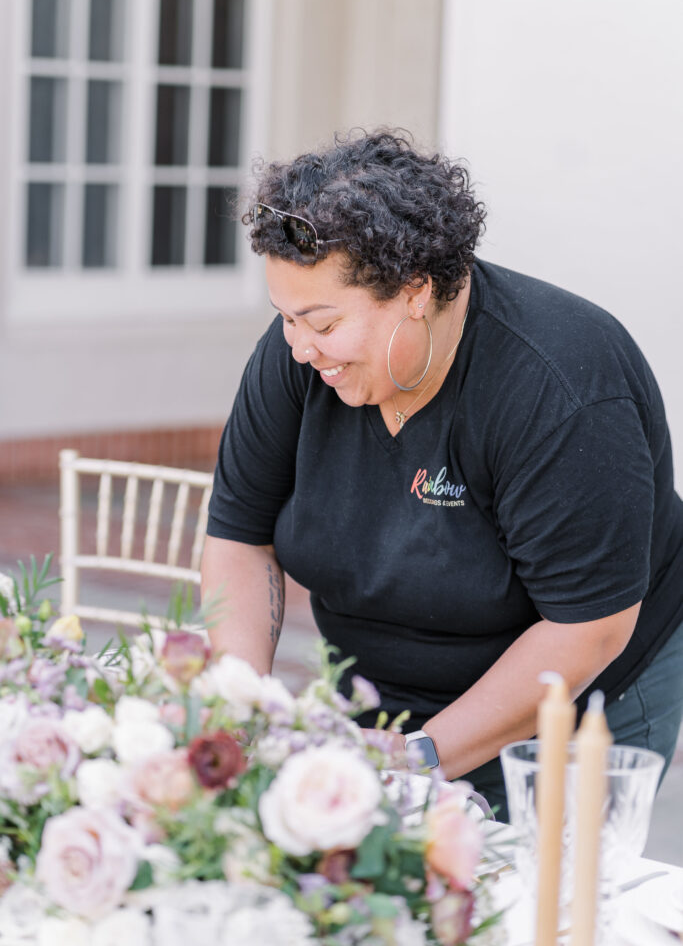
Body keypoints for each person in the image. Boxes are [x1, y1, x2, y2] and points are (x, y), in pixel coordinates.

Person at [201, 129, 683, 819]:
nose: (300, 347)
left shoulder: (561, 387)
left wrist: (419, 757)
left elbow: (586, 629)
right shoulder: (296, 358)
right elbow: (238, 534)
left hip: (572, 705)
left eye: (323, 323)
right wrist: (240, 708)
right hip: (376, 693)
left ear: (415, 291)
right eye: (286, 319)